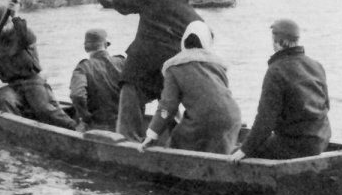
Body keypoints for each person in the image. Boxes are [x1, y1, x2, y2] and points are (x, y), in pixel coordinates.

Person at [98, 0, 203, 141]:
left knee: (129, 113)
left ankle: (129, 146)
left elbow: (123, 4)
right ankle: (180, 147)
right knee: (170, 109)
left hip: (141, 66)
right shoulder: (195, 17)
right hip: (172, 70)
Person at [231, 19, 331, 161]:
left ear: (276, 41)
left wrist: (243, 151)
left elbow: (265, 120)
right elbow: (327, 106)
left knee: (234, 152)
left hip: (293, 145)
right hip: (320, 141)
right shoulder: (316, 66)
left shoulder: (276, 70)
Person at [0, 4, 77, 130]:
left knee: (43, 109)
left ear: (6, 22)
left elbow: (24, 33)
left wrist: (14, 15)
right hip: (13, 86)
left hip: (33, 82)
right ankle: (19, 132)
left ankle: (73, 127)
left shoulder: (22, 34)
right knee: (5, 100)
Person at [140, 20, 241, 154]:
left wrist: (152, 134)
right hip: (233, 118)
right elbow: (219, 97)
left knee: (177, 139)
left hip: (204, 119)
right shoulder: (218, 64)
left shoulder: (174, 66)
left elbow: (168, 106)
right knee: (217, 149)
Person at [69, 29, 125, 132]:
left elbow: (77, 95)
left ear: (86, 48)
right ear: (106, 45)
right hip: (125, 125)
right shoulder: (122, 62)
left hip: (97, 128)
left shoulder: (83, 67)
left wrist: (86, 118)